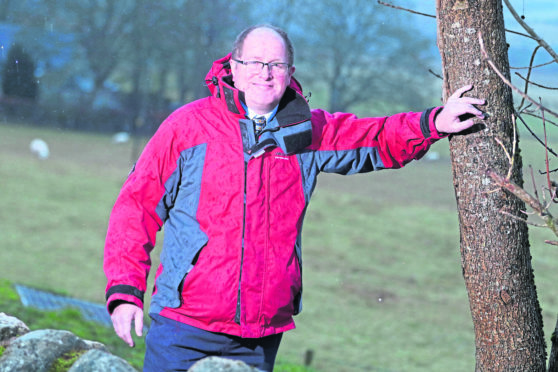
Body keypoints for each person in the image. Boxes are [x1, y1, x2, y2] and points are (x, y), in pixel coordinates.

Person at [104, 24, 485, 371]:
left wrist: (434, 123)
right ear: (233, 68)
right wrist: (125, 292)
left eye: (276, 64)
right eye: (254, 62)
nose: (265, 73)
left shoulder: (307, 131)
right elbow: (135, 208)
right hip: (183, 328)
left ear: (290, 73)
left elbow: (377, 138)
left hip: (258, 337)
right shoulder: (187, 127)